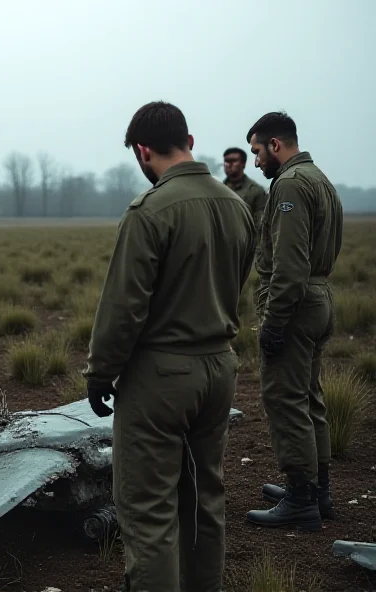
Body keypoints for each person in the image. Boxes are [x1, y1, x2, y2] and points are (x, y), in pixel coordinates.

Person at [84, 101, 256, 591]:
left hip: (161, 377)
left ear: (142, 151)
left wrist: (100, 373)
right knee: (206, 501)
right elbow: (237, 284)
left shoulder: (149, 211)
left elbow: (123, 308)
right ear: (191, 142)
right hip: (220, 367)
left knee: (149, 510)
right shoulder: (237, 205)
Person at [244, 112, 343, 530]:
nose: (255, 162)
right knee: (310, 398)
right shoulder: (319, 178)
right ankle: (317, 492)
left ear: (276, 145)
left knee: (286, 400)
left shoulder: (288, 185)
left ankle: (301, 496)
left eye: (257, 151)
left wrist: (274, 323)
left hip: (296, 306)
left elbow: (289, 265)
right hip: (319, 299)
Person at [223, 146, 269, 231]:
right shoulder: (219, 189)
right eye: (226, 161)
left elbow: (260, 224)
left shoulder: (255, 191)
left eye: (233, 161)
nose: (229, 165)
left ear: (243, 164)